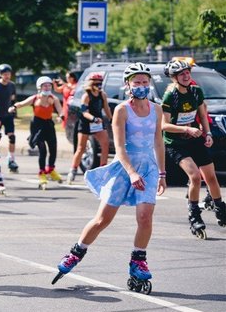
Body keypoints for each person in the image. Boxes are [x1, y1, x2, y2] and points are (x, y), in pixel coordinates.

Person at [52, 62, 166, 294]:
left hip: (148, 168)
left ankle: (138, 261)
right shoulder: (122, 110)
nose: (142, 86)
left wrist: (162, 173)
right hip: (124, 168)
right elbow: (120, 148)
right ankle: (76, 251)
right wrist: (132, 173)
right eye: (137, 82)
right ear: (128, 85)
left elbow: (158, 142)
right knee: (103, 219)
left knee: (145, 216)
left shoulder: (157, 110)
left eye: (145, 82)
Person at [161, 59, 226, 237]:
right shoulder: (170, 96)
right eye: (181, 73)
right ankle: (194, 216)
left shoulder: (196, 91)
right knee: (195, 177)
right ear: (174, 78)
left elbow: (202, 115)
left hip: (195, 139)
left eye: (187, 72)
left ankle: (220, 208)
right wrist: (186, 128)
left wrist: (208, 134)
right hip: (176, 143)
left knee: (211, 177)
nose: (186, 75)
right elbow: (164, 125)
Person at [10, 76, 63, 188]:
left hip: (49, 125)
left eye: (49, 85)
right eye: (45, 85)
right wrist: (13, 107)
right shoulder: (35, 99)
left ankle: (51, 169)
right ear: (40, 87)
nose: (47, 87)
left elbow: (60, 110)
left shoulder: (54, 99)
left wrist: (60, 117)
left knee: (53, 148)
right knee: (42, 150)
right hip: (37, 126)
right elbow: (22, 104)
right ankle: (42, 173)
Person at [67, 72, 113, 184]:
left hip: (97, 123)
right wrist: (93, 119)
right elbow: (84, 112)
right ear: (91, 84)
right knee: (81, 148)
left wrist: (112, 120)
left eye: (100, 83)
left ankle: (103, 170)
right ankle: (73, 170)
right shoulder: (86, 96)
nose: (99, 85)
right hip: (87, 123)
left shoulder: (102, 95)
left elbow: (106, 109)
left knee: (105, 144)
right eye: (97, 83)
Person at [0, 63, 19, 172]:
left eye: (8, 74)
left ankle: (11, 160)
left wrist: (13, 109)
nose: (7, 76)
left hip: (8, 116)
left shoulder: (12, 85)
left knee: (12, 137)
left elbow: (12, 99)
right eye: (5, 74)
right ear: (1, 75)